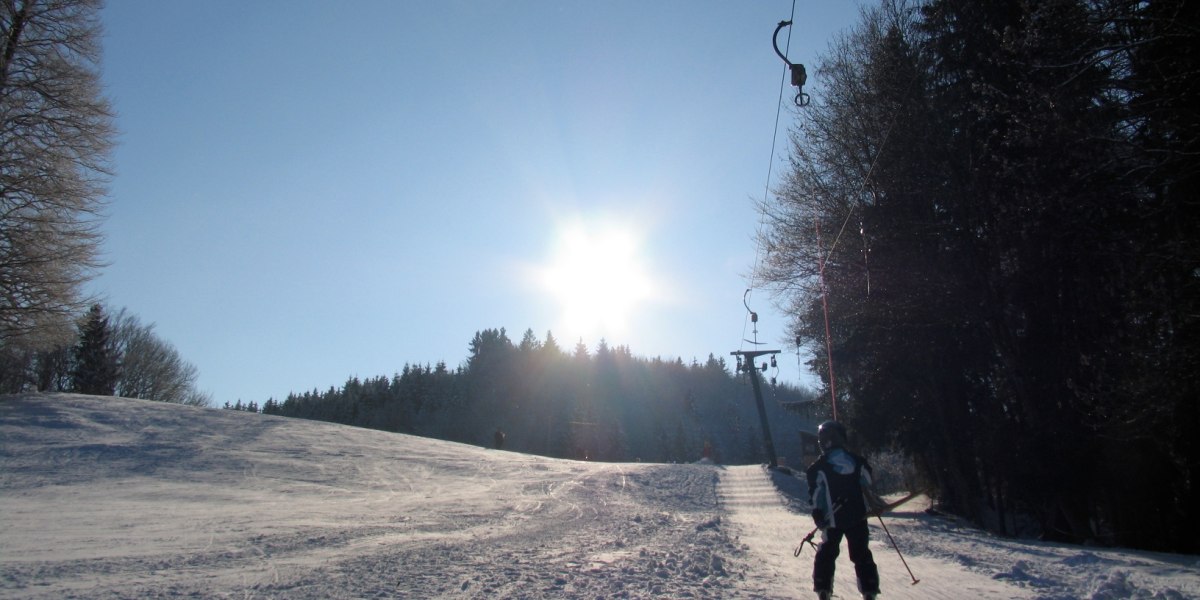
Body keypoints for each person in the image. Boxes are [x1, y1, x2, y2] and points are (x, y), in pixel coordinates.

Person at [805, 420, 881, 600]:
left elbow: (816, 494)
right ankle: (869, 590)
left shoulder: (817, 468)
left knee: (826, 554)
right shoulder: (857, 462)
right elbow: (868, 481)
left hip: (832, 520)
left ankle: (823, 589)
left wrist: (817, 513)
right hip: (857, 516)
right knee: (862, 554)